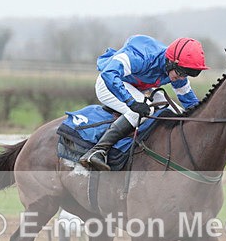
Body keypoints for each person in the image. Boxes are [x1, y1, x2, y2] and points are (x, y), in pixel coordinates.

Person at [79, 35, 209, 171]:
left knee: (178, 114)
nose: (181, 78)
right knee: (142, 112)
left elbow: (190, 102)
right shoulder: (143, 56)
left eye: (186, 74)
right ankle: (97, 151)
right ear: (171, 62)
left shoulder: (176, 70)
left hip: (138, 87)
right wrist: (130, 102)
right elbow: (109, 74)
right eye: (181, 72)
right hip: (109, 84)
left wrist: (204, 120)